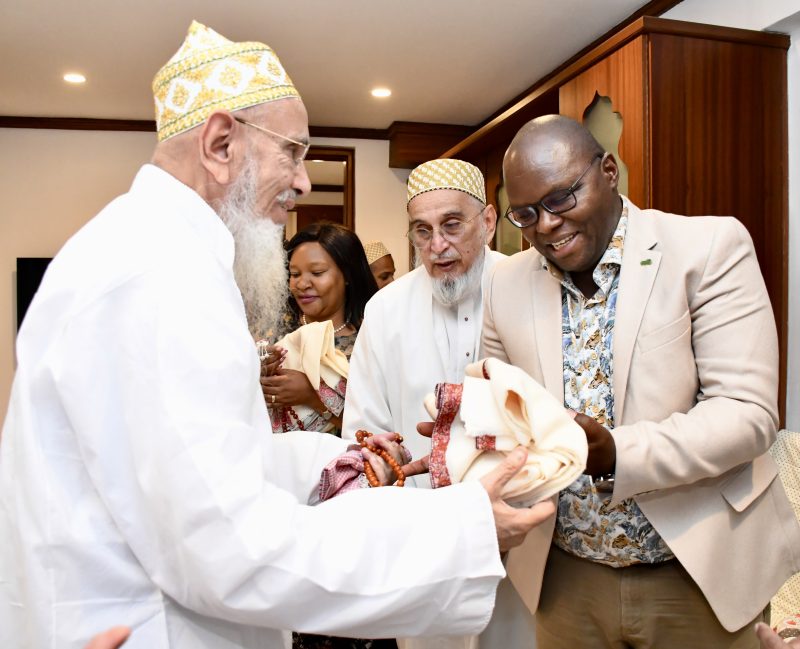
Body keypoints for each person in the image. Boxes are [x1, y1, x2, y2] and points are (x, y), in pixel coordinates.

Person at [0, 22, 556, 649]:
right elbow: (229, 548)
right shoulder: (160, 277)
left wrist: (338, 463)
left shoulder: (156, 254)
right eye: (292, 152)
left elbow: (215, 464)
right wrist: (460, 533)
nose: (303, 181)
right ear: (220, 144)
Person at [481, 114, 800, 649]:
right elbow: (499, 405)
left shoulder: (707, 247)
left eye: (561, 198)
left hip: (696, 569)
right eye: (527, 213)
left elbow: (748, 415)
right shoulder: (504, 283)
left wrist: (616, 453)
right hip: (565, 577)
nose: (546, 226)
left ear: (609, 171)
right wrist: (461, 438)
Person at [343, 159, 537, 649]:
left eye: (452, 225)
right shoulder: (386, 310)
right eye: (422, 231)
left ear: (488, 221)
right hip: (424, 541)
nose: (437, 246)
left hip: (522, 534)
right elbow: (364, 427)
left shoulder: (532, 287)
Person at [261, 222, 377, 436]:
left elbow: (375, 426)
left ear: (347, 275)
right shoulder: (274, 334)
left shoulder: (369, 342)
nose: (302, 284)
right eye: (295, 274)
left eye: (317, 272)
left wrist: (311, 396)